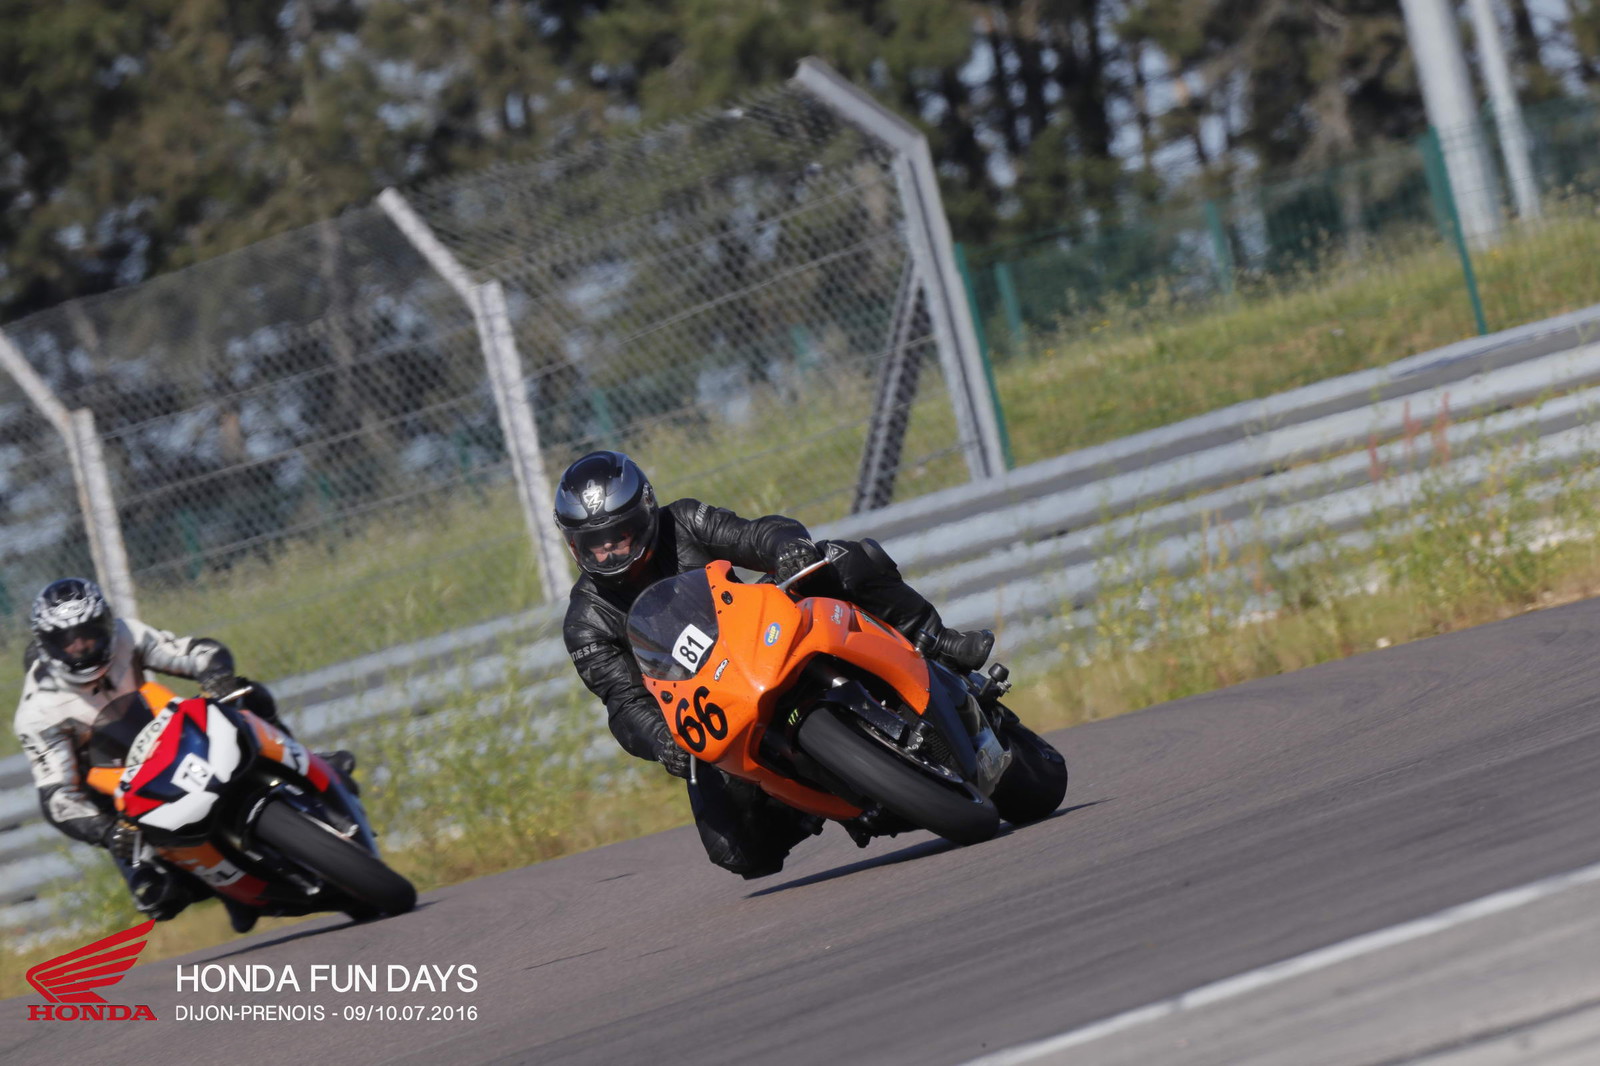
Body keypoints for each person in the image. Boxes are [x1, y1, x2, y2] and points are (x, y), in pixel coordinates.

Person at [556, 450, 994, 879]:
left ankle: (937, 642)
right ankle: (809, 797)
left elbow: (754, 535)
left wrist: (788, 548)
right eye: (594, 545)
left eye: (620, 535)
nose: (609, 552)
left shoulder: (684, 521)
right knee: (737, 852)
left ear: (646, 513)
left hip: (757, 634)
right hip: (711, 701)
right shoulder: (585, 621)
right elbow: (624, 702)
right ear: (574, 545)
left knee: (839, 558)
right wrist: (663, 741)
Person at [12, 577, 354, 934]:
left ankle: (306, 760)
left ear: (106, 622)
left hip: (176, 734)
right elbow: (59, 797)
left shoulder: (127, 635)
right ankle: (221, 891)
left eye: (89, 633)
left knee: (247, 693)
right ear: (47, 645)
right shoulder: (38, 712)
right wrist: (108, 832)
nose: (82, 647)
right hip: (120, 786)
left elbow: (194, 652)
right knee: (158, 896)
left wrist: (216, 675)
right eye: (68, 641)